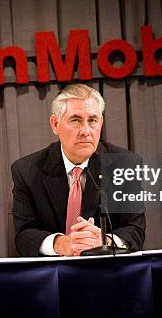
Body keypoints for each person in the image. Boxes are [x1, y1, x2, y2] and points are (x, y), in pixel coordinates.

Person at [11, 84, 146, 256]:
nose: (85, 131)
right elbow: (24, 235)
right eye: (75, 120)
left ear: (101, 123)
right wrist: (61, 244)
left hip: (106, 270)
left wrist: (104, 241)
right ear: (55, 124)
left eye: (92, 120)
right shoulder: (27, 170)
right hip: (51, 274)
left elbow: (135, 229)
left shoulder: (124, 164)